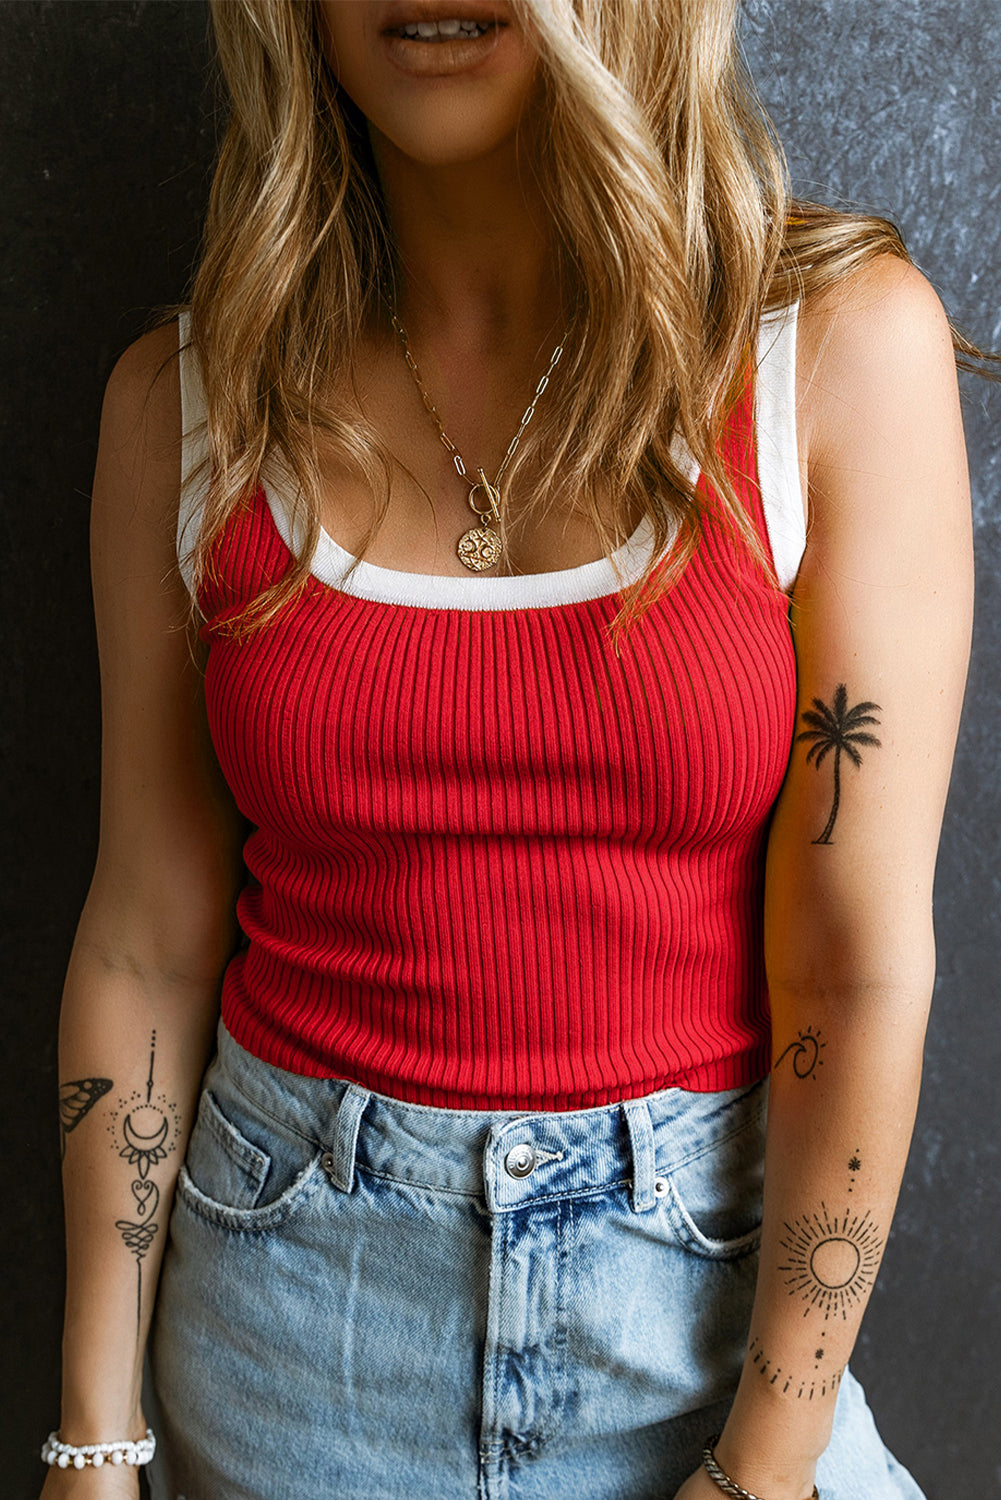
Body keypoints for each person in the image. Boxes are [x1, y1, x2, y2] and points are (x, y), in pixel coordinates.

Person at [42, 2, 981, 1497]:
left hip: (703, 1326)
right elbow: (142, 947)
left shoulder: (836, 353)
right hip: (286, 1337)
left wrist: (766, 1465)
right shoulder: (184, 405)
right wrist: (94, 1435)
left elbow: (855, 967)